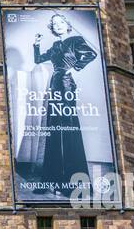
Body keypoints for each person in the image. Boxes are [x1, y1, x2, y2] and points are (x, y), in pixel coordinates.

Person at [15, 13, 97, 195]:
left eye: (60, 22)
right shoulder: (55, 45)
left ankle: (71, 183)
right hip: (54, 84)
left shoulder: (76, 40)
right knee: (53, 131)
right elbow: (38, 60)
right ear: (52, 28)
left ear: (67, 24)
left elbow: (92, 54)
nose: (58, 25)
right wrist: (35, 44)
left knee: (67, 130)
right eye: (54, 23)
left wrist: (74, 66)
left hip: (66, 85)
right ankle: (52, 180)